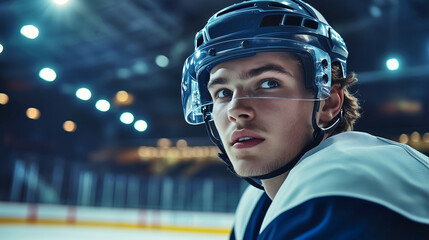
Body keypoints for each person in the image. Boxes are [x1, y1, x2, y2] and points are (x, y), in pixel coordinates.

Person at [181, 0, 429, 239]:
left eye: (269, 83)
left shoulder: (344, 186)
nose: (236, 109)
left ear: (328, 102)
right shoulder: (257, 203)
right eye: (223, 93)